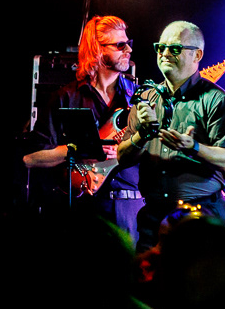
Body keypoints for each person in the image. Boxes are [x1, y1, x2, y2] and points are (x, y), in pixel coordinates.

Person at [119, 20, 225, 250]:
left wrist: (193, 147)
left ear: (197, 55)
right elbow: (122, 158)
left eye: (174, 48)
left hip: (200, 217)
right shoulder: (145, 98)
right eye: (160, 47)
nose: (165, 53)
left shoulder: (216, 99)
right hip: (153, 217)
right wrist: (142, 134)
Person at [22, 15, 144, 238]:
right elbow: (31, 158)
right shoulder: (66, 98)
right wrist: (78, 150)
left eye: (128, 43)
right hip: (81, 209)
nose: (129, 49)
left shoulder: (139, 98)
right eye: (120, 45)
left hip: (128, 207)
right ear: (97, 50)